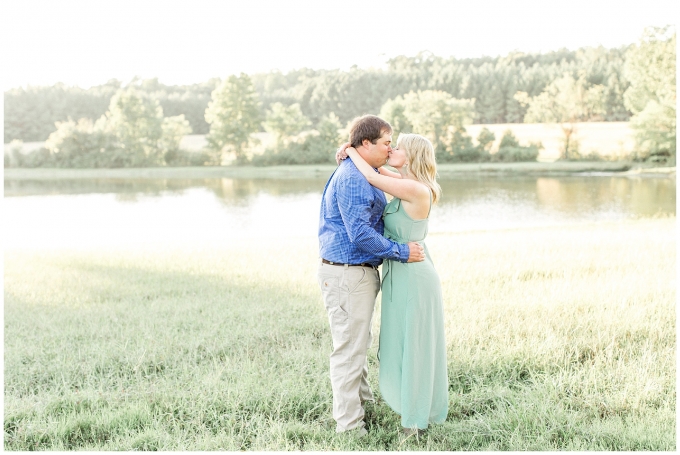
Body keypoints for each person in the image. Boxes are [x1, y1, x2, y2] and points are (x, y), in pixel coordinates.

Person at [317, 115, 426, 437]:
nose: (390, 148)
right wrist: (401, 251)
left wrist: (348, 150)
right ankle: (350, 429)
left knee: (357, 343)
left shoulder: (368, 171)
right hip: (347, 275)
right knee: (349, 350)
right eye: (385, 143)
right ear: (366, 144)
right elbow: (361, 233)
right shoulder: (353, 178)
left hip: (356, 274)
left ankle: (362, 408)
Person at [337, 133, 448, 436]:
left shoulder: (415, 189)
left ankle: (414, 422)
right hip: (400, 273)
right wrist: (354, 153)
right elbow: (376, 173)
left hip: (414, 276)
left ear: (410, 155)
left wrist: (350, 149)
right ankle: (411, 409)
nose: (391, 150)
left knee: (414, 345)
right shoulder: (404, 182)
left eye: (397, 147)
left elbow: (371, 177)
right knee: (401, 342)